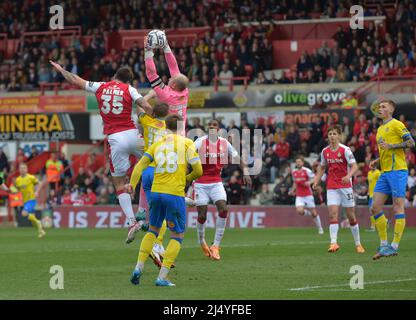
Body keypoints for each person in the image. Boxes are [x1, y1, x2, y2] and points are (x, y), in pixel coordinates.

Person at [49, 60, 153, 244]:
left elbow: (75, 79)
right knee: (155, 163)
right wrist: (148, 124)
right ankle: (165, 201)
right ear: (128, 81)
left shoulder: (101, 86)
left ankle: (131, 221)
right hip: (133, 134)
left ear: (114, 77)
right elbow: (146, 106)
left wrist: (61, 70)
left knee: (119, 182)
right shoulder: (130, 89)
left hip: (115, 139)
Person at [128, 114, 202, 287]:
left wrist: (131, 185)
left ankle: (138, 268)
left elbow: (139, 166)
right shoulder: (187, 143)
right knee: (177, 235)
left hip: (155, 192)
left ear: (166, 126)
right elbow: (198, 170)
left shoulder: (157, 144)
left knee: (152, 230)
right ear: (181, 125)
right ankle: (162, 277)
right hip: (174, 193)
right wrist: (187, 177)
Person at [193, 118, 252, 260]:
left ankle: (216, 246)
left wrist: (246, 172)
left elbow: (238, 158)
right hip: (200, 183)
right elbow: (186, 155)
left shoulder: (224, 143)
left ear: (219, 128)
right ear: (208, 128)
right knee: (202, 215)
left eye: (215, 125)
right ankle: (202, 241)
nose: (212, 127)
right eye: (210, 125)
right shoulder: (200, 142)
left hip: (216, 182)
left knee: (223, 209)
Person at [369, 100, 415, 260]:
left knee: (397, 207)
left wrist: (392, 146)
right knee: (375, 207)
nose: (380, 109)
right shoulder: (380, 129)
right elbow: (385, 150)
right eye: (379, 107)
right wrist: (377, 160)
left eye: (383, 107)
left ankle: (394, 246)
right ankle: (383, 244)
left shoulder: (397, 124)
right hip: (385, 171)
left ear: (391, 110)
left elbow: (411, 142)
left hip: (398, 171)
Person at [312, 124, 365, 253]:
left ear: (339, 136)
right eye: (330, 134)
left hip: (346, 187)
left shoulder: (345, 150)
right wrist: (316, 181)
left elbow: (354, 166)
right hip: (332, 187)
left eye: (334, 134)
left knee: (351, 216)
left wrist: (348, 176)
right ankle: (333, 243)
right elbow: (323, 167)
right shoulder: (325, 151)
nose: (332, 136)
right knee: (332, 214)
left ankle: (358, 244)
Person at [135, 102, 170, 267]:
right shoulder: (168, 128)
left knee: (153, 204)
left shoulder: (147, 121)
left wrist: (143, 98)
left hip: (147, 169)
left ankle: (142, 216)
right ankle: (157, 243)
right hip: (161, 170)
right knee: (163, 210)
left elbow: (138, 109)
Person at [143, 33, 189, 135]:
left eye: (172, 78)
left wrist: (148, 51)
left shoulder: (166, 94)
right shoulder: (184, 91)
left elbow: (151, 73)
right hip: (181, 133)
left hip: (168, 134)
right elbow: (173, 67)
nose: (170, 77)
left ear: (173, 85)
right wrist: (166, 47)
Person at [3, 164, 46, 238]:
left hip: (31, 199)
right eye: (20, 168)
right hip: (25, 201)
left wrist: (37, 191)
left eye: (23, 168)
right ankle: (41, 231)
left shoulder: (31, 177)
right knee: (32, 220)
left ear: (26, 169)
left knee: (24, 213)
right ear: (19, 170)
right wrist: (13, 191)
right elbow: (17, 189)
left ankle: (39, 222)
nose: (22, 170)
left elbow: (40, 183)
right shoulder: (18, 180)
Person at [290, 156, 324, 234]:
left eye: (299, 162)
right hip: (299, 195)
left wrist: (310, 182)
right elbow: (295, 182)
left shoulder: (307, 171)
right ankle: (309, 213)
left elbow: (314, 178)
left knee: (314, 213)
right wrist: (292, 190)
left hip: (308, 194)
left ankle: (320, 228)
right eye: (297, 162)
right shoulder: (293, 172)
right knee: (300, 211)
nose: (298, 163)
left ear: (302, 163)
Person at [366, 163, 381, 232]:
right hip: (370, 194)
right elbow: (370, 183)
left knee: (372, 210)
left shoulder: (378, 173)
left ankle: (373, 226)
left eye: (373, 165)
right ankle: (385, 221)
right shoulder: (369, 173)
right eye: (371, 164)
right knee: (373, 210)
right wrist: (368, 192)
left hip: (376, 194)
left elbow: (380, 182)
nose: (371, 166)